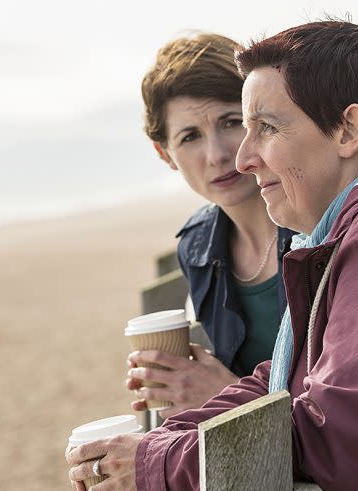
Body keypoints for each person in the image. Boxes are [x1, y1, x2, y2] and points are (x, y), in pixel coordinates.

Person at [67, 20, 358, 491]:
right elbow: (288, 385)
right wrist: (162, 440)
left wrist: (156, 465)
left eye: (266, 128)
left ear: (348, 130)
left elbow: (330, 440)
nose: (242, 158)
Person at [125, 32, 295, 419]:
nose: (217, 154)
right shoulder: (198, 248)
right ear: (165, 154)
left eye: (231, 121)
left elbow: (347, 407)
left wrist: (225, 394)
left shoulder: (321, 223)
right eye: (190, 137)